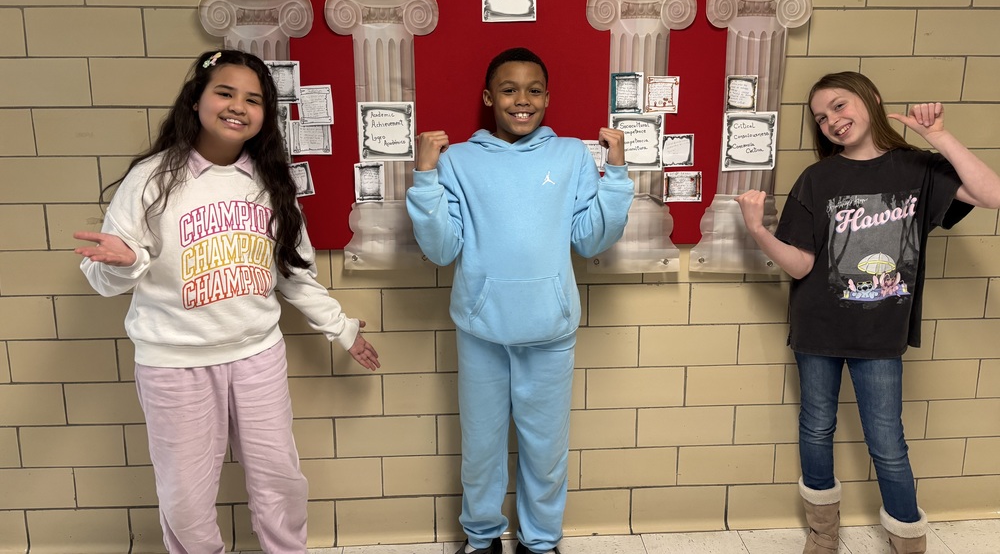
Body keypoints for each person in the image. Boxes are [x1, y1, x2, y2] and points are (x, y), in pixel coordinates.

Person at [73, 50, 380, 554]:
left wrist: (341, 328)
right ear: (196, 100)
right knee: (186, 499)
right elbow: (102, 281)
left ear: (264, 116)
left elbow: (294, 275)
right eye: (225, 92)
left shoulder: (272, 184)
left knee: (279, 481)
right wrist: (127, 261)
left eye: (253, 100)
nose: (238, 106)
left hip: (257, 357)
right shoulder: (151, 180)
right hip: (175, 365)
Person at [734, 72, 1000, 554]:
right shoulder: (818, 179)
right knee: (816, 426)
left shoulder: (918, 168)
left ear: (871, 99)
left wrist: (936, 136)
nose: (832, 121)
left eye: (839, 106)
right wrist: (758, 231)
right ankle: (823, 534)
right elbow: (802, 265)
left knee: (887, 445)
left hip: (880, 335)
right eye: (821, 117)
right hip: (818, 328)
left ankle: (907, 542)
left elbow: (992, 194)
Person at [406, 47, 634, 554]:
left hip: (550, 331)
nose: (522, 100)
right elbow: (442, 248)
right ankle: (482, 537)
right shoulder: (459, 160)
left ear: (548, 98)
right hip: (482, 330)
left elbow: (591, 239)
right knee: (482, 448)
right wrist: (425, 177)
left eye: (534, 90)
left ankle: (540, 541)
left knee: (545, 450)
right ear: (489, 97)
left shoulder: (571, 154)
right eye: (509, 89)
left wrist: (616, 175)